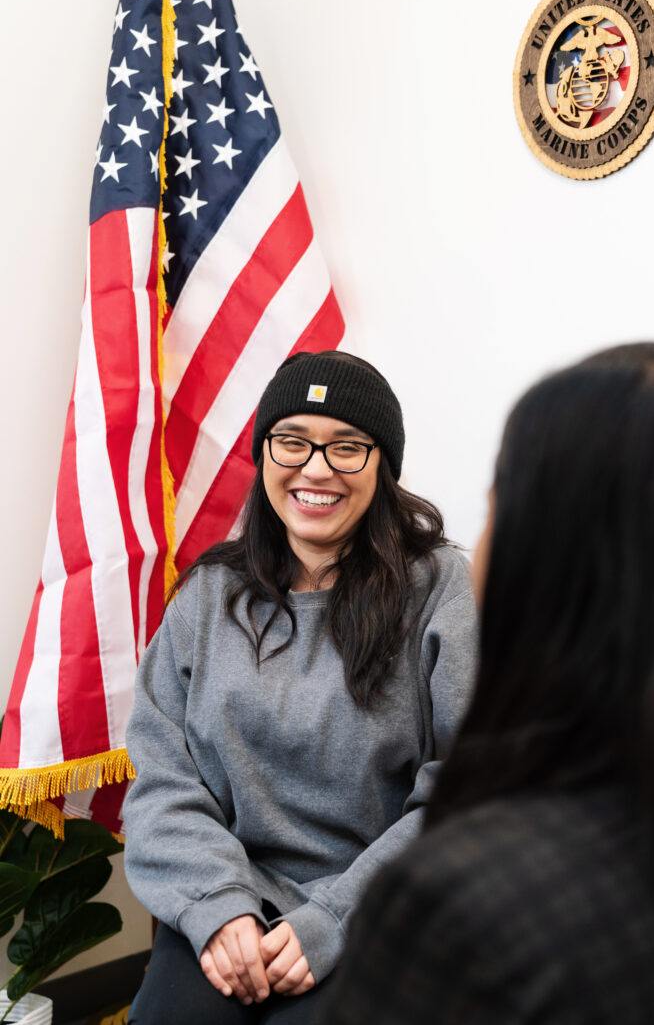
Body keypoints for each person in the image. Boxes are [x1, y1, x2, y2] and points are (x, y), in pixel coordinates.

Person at [316, 342, 654, 1025]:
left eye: (495, 508)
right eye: (291, 440)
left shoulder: (460, 909)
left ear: (544, 559)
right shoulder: (207, 592)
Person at [123, 350, 477, 1024]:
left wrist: (335, 920)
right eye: (293, 441)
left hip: (374, 906)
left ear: (383, 466)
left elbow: (467, 787)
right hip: (228, 896)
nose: (316, 468)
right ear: (264, 454)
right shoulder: (206, 596)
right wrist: (219, 906)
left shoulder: (437, 588)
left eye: (347, 446)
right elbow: (164, 781)